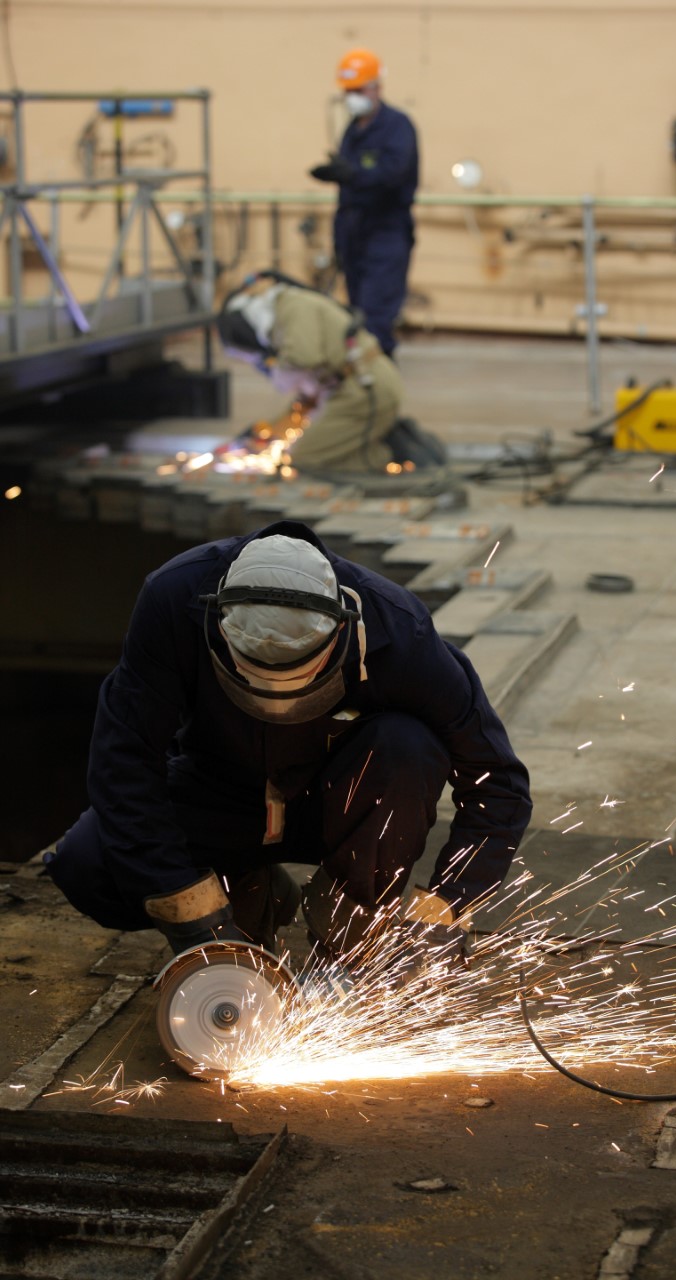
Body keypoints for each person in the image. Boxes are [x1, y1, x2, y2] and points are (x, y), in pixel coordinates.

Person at [45, 523, 532, 977]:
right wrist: (196, 920)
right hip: (219, 795)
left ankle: (349, 926)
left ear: (341, 628)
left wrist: (445, 908)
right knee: (87, 864)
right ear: (219, 623)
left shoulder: (400, 628)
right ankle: (243, 888)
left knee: (409, 746)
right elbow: (124, 762)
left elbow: (498, 783)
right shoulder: (172, 599)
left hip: (337, 805)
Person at [217, 272, 445, 474]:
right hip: (351, 391)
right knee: (306, 448)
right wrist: (268, 431)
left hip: (366, 393)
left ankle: (392, 452)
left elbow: (302, 358)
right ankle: (373, 440)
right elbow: (307, 398)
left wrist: (279, 373)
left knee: (304, 460)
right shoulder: (284, 310)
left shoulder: (293, 308)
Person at [309, 48, 418, 358]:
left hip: (385, 233)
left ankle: (381, 384)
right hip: (353, 233)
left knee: (376, 320)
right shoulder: (352, 131)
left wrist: (353, 174)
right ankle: (363, 383)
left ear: (376, 87)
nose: (352, 97)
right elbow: (349, 188)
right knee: (356, 316)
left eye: (358, 90)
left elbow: (393, 173)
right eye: (348, 91)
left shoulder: (397, 126)